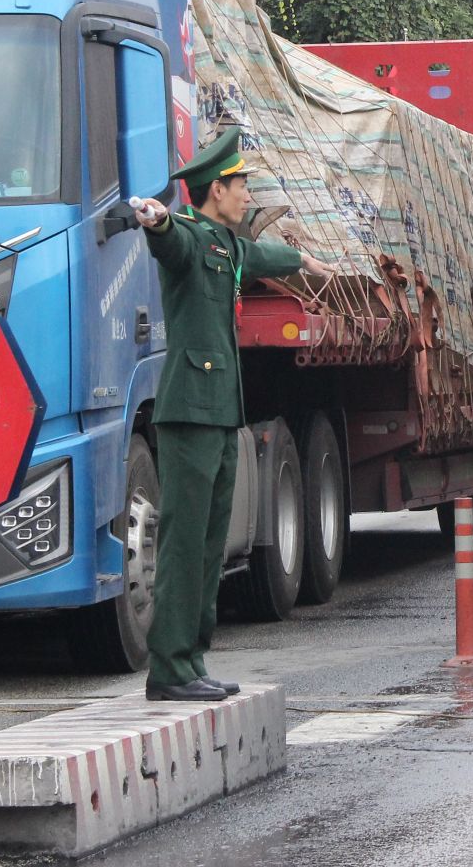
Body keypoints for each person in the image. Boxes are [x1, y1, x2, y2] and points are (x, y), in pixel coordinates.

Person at [131, 127, 336, 702]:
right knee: (183, 541)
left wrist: (308, 262)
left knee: (209, 544)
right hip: (189, 415)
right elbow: (171, 241)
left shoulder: (226, 245)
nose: (248, 194)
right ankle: (169, 667)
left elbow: (261, 253)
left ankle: (191, 659)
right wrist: (157, 220)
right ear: (215, 191)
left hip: (220, 414)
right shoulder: (193, 240)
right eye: (241, 184)